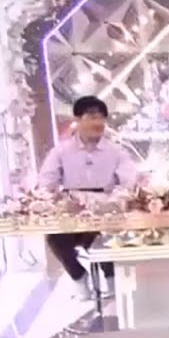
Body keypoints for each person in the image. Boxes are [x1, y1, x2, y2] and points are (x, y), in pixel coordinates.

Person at [37, 95, 138, 300]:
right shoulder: (61, 151)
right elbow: (46, 182)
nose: (98, 123)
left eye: (101, 118)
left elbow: (129, 181)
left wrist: (113, 199)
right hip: (74, 209)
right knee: (55, 237)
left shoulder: (116, 151)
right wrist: (58, 198)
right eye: (92, 117)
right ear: (77, 119)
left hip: (107, 206)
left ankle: (112, 279)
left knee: (107, 235)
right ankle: (78, 277)